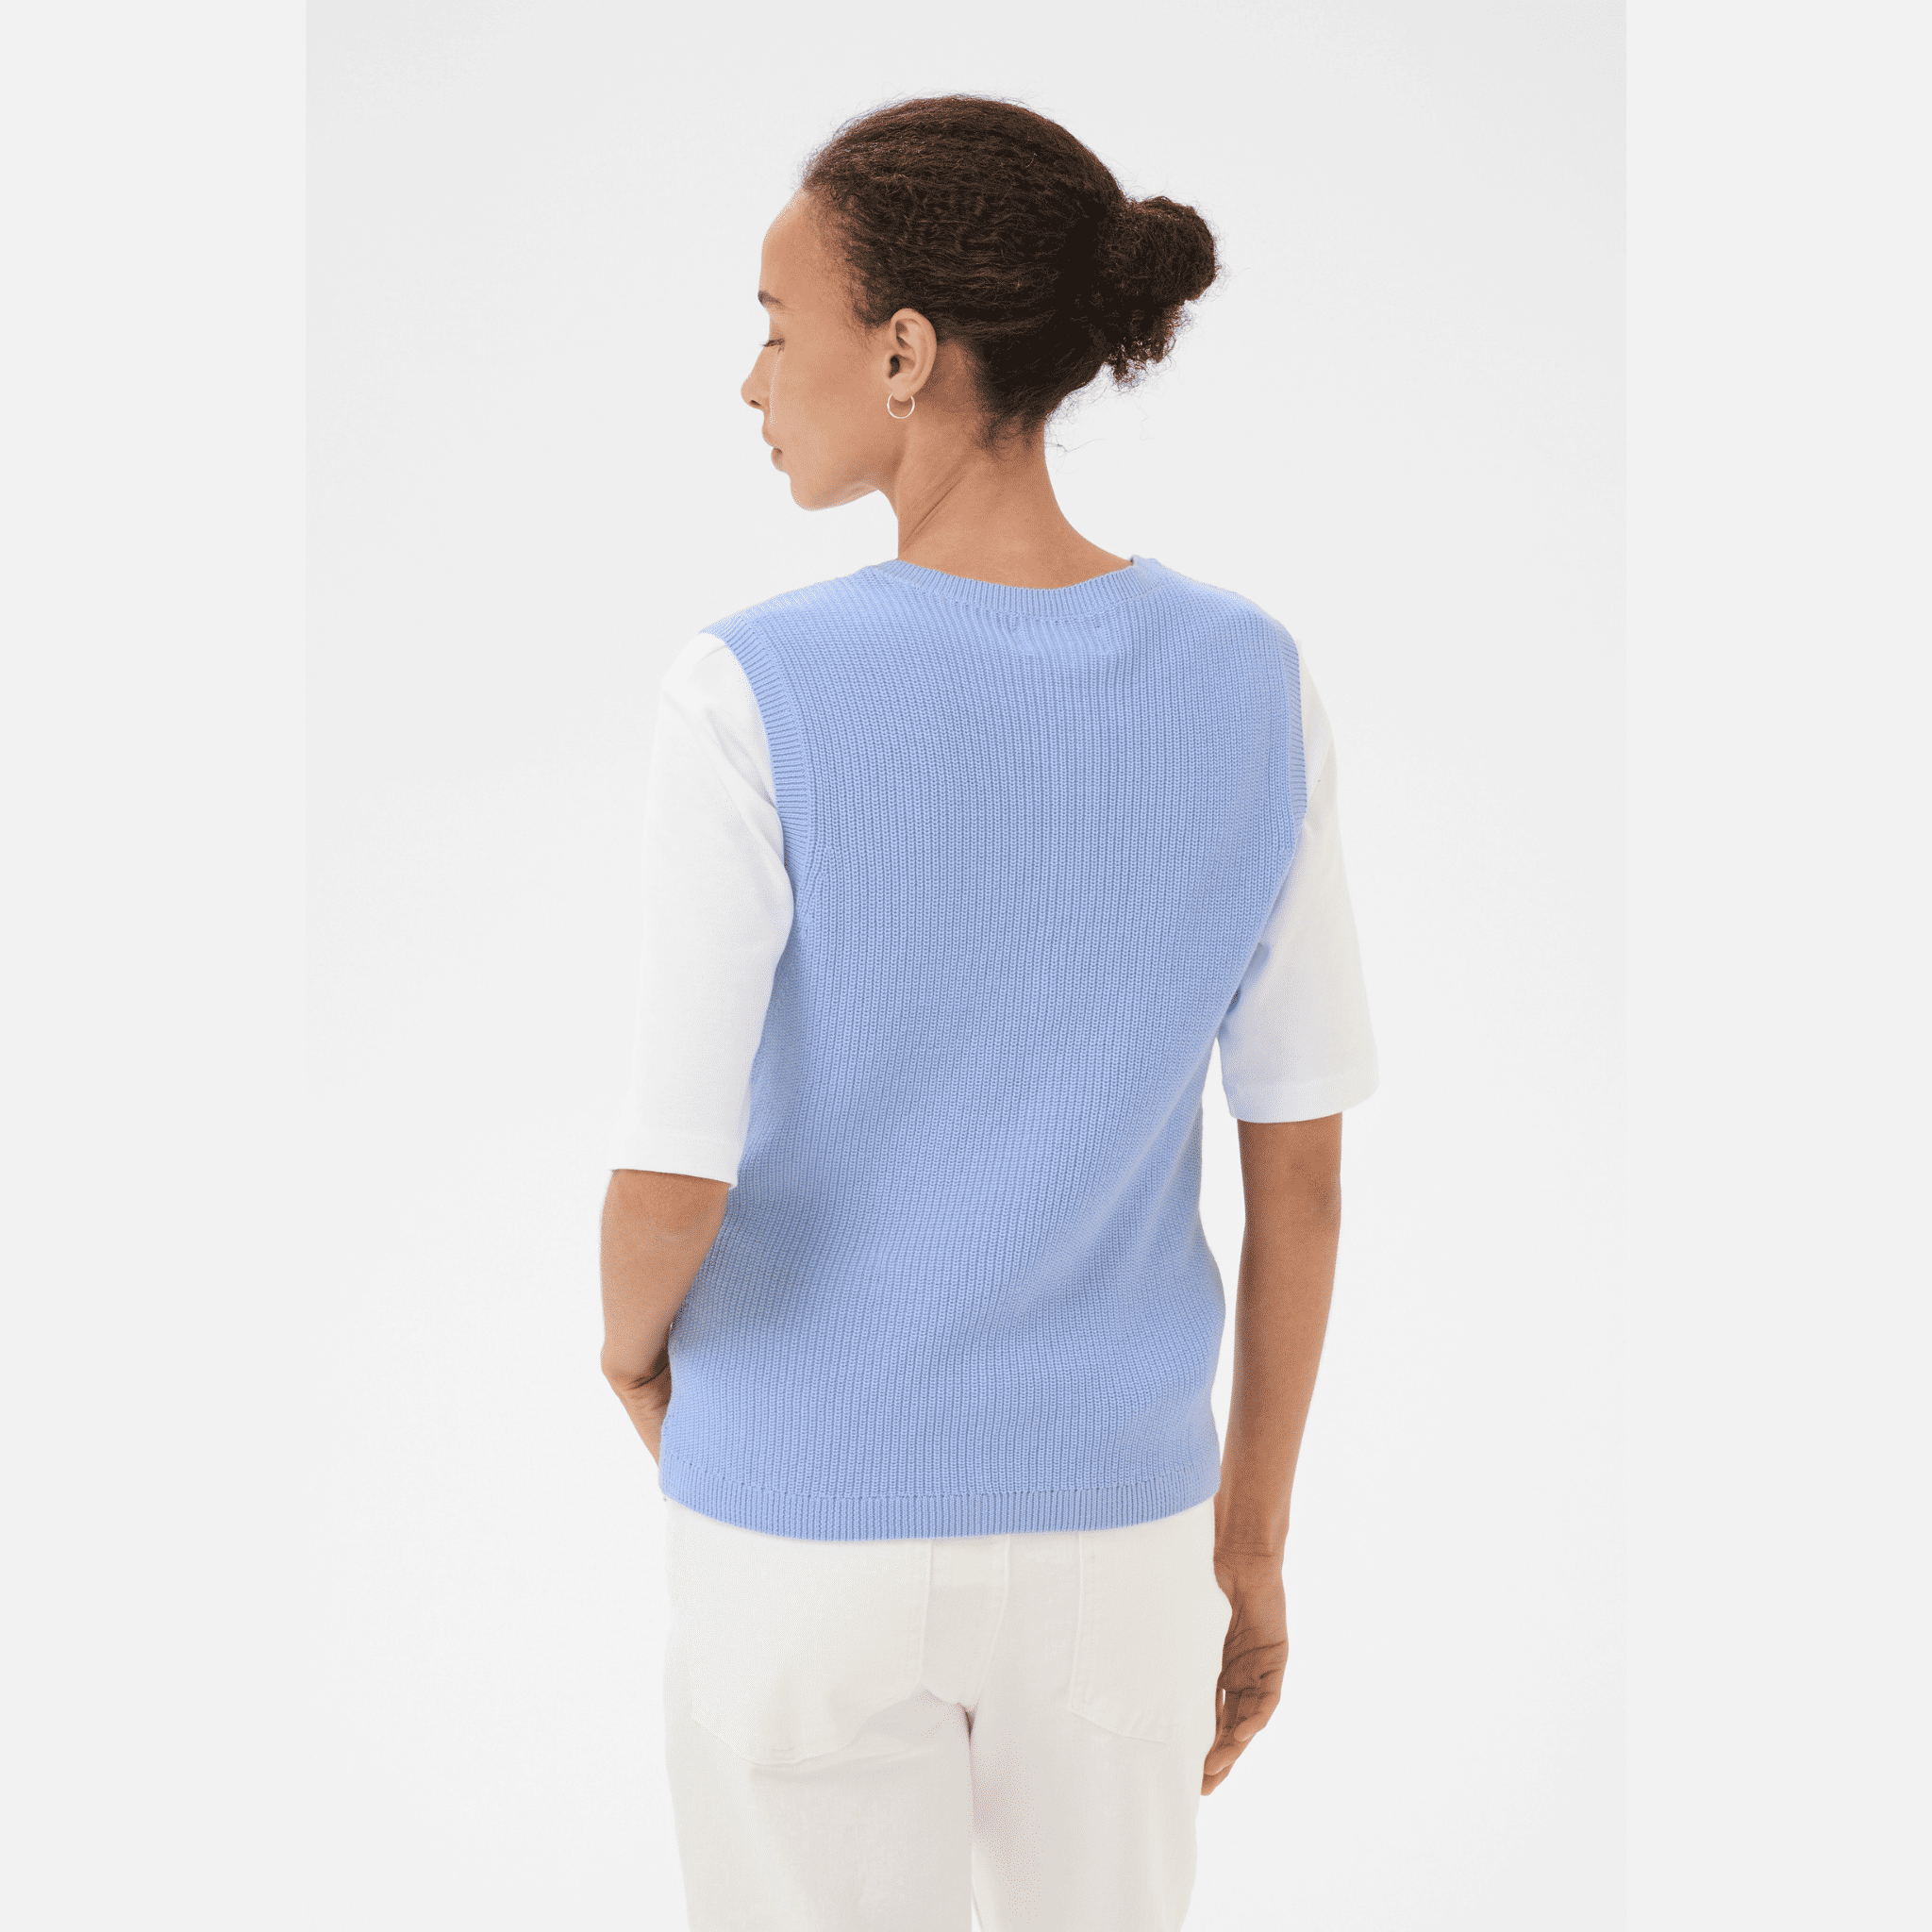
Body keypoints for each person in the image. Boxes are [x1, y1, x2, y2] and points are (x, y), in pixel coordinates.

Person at [598, 93, 1378, 1932]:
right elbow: (1300, 1178)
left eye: (774, 326)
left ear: (902, 351)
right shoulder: (1252, 683)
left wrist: (632, 1360)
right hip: (1116, 1538)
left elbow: (672, 1177)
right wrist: (1248, 1543)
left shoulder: (749, 693)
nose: (751, 380)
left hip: (799, 1523)